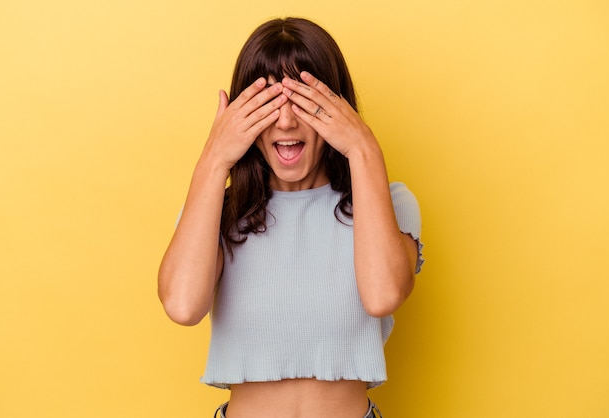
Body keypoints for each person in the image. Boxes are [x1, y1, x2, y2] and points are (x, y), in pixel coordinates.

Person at [158, 17, 423, 418]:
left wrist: (363, 150)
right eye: (267, 106)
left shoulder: (387, 204)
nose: (285, 122)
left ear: (337, 109)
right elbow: (181, 305)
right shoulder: (216, 212)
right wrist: (214, 159)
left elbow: (383, 295)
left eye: (304, 103)